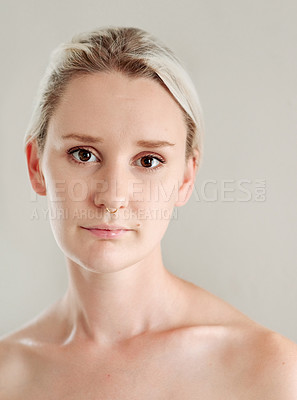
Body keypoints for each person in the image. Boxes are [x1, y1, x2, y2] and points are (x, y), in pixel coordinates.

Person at [0, 26, 296, 399]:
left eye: (148, 160)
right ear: (36, 166)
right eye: (83, 154)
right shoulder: (7, 377)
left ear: (186, 177)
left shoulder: (270, 373)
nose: (112, 198)